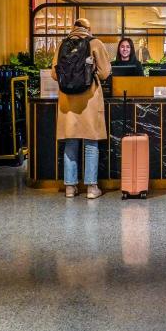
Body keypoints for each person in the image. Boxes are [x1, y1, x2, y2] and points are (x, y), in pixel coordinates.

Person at [51, 17, 112, 199]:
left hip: (68, 101)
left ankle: (70, 187)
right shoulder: (95, 43)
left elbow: (54, 74)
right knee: (91, 143)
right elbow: (104, 72)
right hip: (89, 99)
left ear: (73, 28)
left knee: (71, 142)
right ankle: (92, 188)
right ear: (88, 28)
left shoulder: (62, 44)